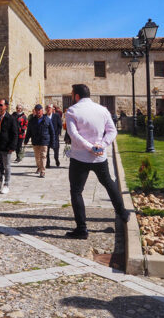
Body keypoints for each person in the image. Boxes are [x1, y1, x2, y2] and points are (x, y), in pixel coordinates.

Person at [65, 84, 129, 239]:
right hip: (99, 156)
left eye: (72, 94)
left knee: (76, 191)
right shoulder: (102, 110)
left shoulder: (72, 111)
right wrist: (102, 145)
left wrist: (89, 147)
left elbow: (73, 134)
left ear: (77, 96)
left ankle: (82, 229)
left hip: (80, 157)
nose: (72, 96)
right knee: (108, 182)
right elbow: (112, 131)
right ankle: (123, 213)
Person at [24, 104, 56, 178]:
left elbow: (52, 131)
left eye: (39, 110)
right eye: (36, 110)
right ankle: (39, 167)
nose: (38, 112)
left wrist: (53, 142)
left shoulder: (47, 119)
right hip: (35, 140)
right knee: (37, 156)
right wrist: (26, 140)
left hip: (44, 140)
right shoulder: (32, 120)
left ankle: (42, 171)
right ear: (35, 111)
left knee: (43, 156)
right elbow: (29, 131)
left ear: (42, 111)